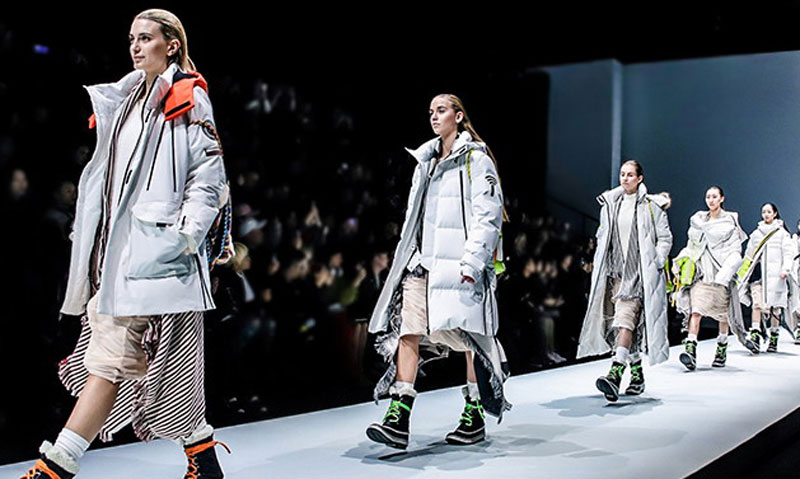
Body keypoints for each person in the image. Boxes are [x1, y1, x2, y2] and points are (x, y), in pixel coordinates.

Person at [22, 10, 231, 479]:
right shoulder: (127, 97)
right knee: (167, 368)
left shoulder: (187, 95)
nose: (135, 47)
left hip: (156, 254)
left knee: (109, 363)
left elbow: (208, 173)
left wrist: (184, 236)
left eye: (146, 38)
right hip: (117, 256)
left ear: (171, 45)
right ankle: (203, 458)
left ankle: (55, 468)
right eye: (132, 38)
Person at [365, 94, 510, 449]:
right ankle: (398, 415)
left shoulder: (477, 159)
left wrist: (473, 262)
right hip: (422, 263)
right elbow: (415, 216)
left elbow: (488, 215)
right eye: (431, 111)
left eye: (441, 110)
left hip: (460, 267)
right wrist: (408, 256)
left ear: (458, 116)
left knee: (470, 340)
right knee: (408, 330)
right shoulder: (425, 161)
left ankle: (474, 414)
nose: (434, 116)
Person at [577, 160, 673, 402]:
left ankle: (615, 373)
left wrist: (657, 261)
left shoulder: (652, 206)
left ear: (640, 178)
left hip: (639, 274)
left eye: (630, 175)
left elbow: (665, 238)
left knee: (625, 320)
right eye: (622, 174)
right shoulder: (611, 204)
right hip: (615, 274)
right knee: (621, 325)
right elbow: (604, 236)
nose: (625, 178)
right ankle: (637, 375)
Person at [672, 186, 757, 371]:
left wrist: (725, 275)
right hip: (704, 272)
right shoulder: (698, 221)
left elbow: (736, 251)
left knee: (723, 315)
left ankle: (721, 348)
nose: (710, 200)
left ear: (721, 199)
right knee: (696, 310)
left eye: (714, 196)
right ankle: (690, 349)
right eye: (708, 197)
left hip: (721, 275)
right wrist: (681, 261)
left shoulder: (729, 221)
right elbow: (692, 246)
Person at [737, 203, 797, 352]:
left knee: (775, 308)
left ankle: (774, 338)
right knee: (757, 304)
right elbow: (749, 255)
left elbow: (788, 253)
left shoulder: (782, 233)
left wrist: (786, 269)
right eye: (764, 212)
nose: (766, 214)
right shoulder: (756, 234)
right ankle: (755, 334)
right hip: (758, 275)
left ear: (775, 213)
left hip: (776, 276)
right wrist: (742, 272)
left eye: (769, 212)